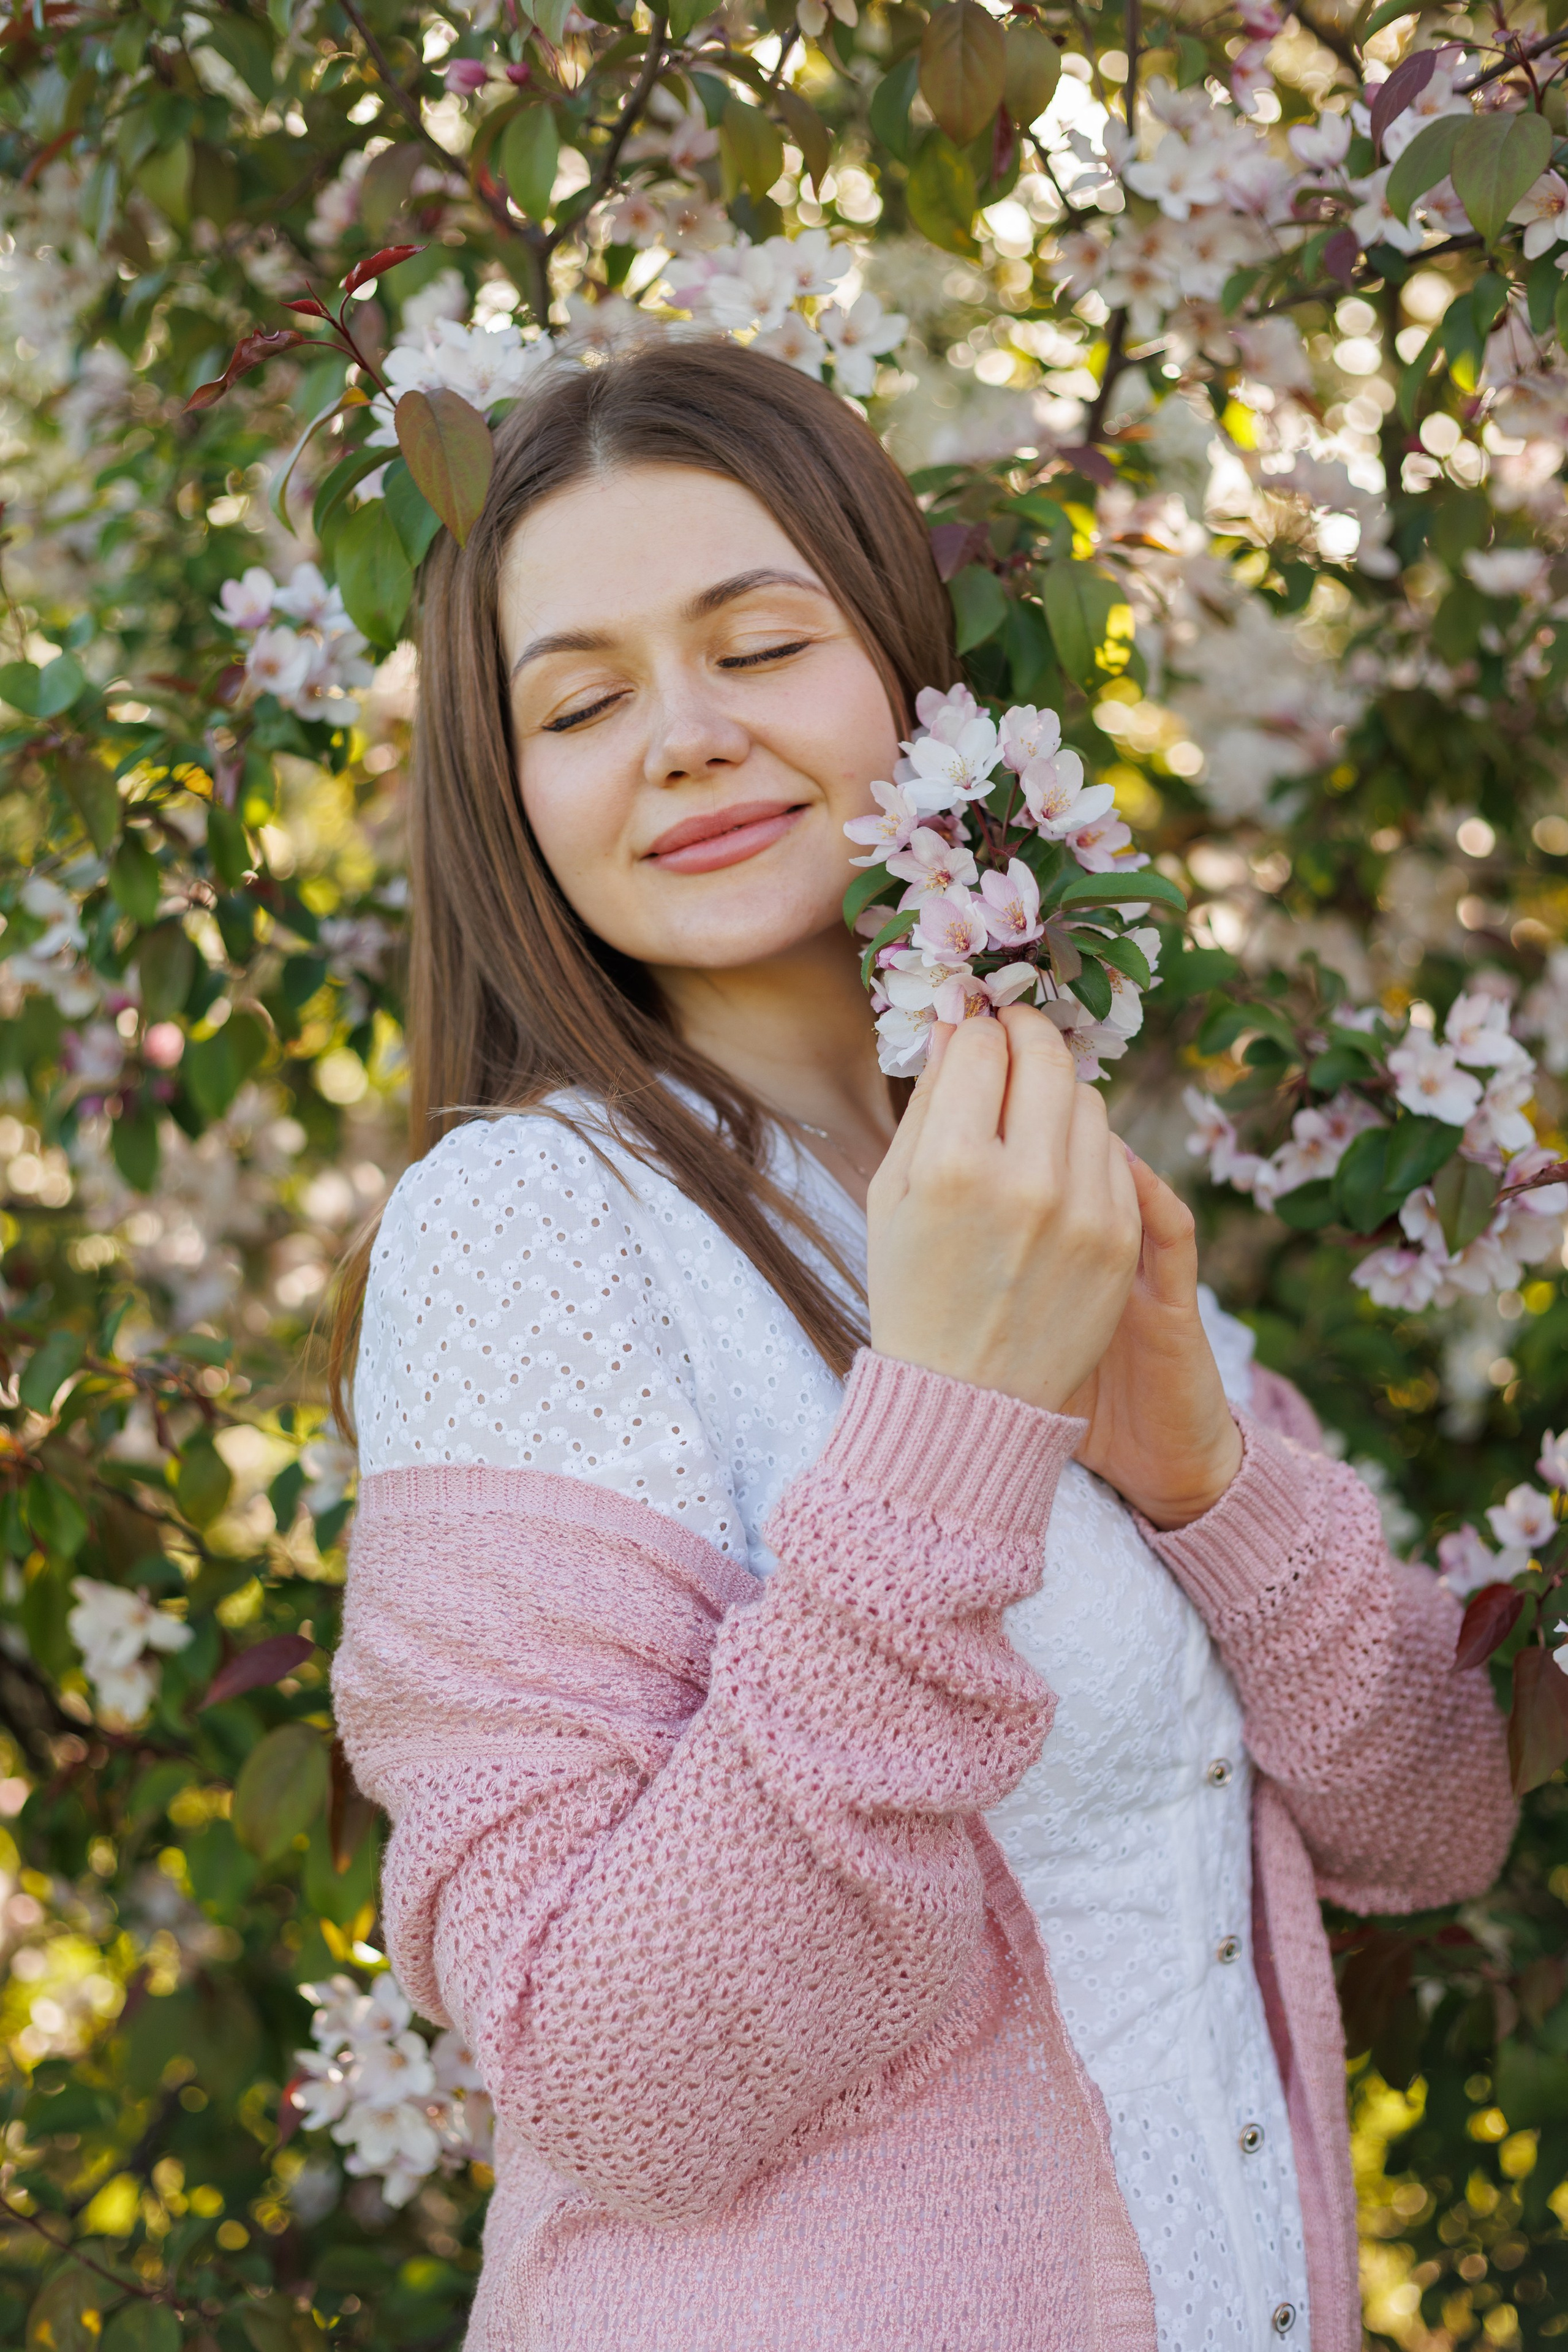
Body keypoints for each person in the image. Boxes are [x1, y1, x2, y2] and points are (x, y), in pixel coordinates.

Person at [330, 338, 1516, 2352]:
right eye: (587, 701)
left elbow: (1430, 1818)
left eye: (760, 645)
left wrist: (1206, 1480)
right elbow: (619, 2083)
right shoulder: (531, 1230)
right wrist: (950, 1428)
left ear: (908, 676)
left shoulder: (1055, 1190)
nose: (686, 740)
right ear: (516, 797)